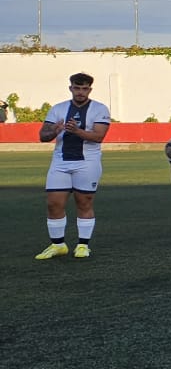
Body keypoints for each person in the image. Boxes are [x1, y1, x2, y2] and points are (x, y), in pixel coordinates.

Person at [38, 73, 111, 260]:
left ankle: (82, 245)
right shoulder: (58, 109)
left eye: (84, 88)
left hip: (87, 162)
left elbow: (98, 137)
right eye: (77, 88)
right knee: (54, 203)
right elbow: (43, 135)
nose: (80, 92)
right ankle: (58, 245)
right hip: (60, 161)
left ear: (90, 90)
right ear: (70, 88)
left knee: (84, 202)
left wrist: (76, 131)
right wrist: (54, 130)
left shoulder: (99, 109)